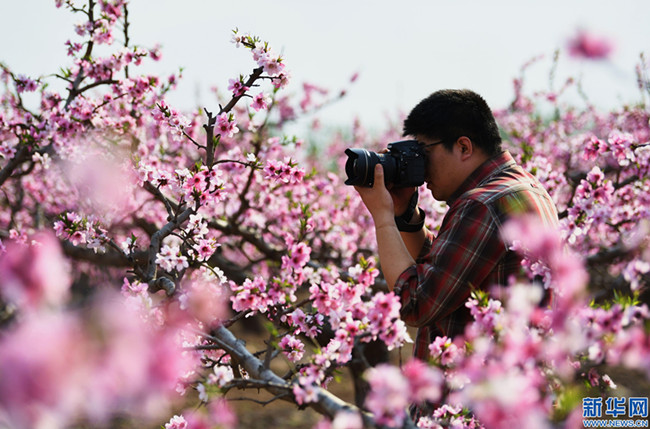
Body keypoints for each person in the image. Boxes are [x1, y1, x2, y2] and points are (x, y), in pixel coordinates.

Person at [354, 89, 559, 364]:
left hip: (475, 397)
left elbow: (416, 303)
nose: (422, 168)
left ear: (463, 147)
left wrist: (383, 217)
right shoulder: (523, 188)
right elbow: (444, 271)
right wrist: (405, 214)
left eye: (424, 153)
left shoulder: (482, 204)